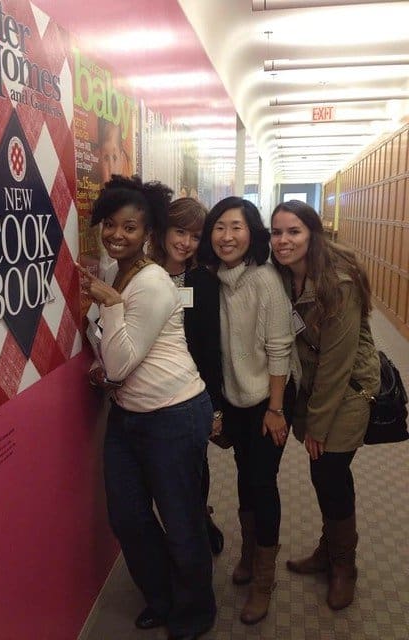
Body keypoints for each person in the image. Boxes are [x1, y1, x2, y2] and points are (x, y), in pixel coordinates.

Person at [78, 175, 216, 640]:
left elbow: (121, 361)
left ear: (148, 231)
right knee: (128, 517)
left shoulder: (153, 282)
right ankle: (162, 597)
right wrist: (101, 365)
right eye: (111, 224)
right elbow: (110, 356)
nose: (118, 234)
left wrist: (113, 308)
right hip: (129, 413)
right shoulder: (111, 268)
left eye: (131, 227)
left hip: (175, 413)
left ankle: (195, 612)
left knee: (180, 520)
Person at [270, 199, 380, 611]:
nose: (284, 240)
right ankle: (328, 549)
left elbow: (337, 362)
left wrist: (316, 424)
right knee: (323, 474)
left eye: (294, 232)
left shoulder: (340, 282)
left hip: (348, 388)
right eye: (277, 232)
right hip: (313, 385)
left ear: (312, 234)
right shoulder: (283, 276)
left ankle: (343, 567)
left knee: (332, 473)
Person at [198, 196, 298, 625]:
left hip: (270, 398)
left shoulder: (265, 280)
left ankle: (263, 578)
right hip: (237, 398)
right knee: (244, 477)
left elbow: (280, 347)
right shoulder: (216, 279)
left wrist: (275, 410)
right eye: (219, 227)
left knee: (262, 481)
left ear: (251, 232)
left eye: (236, 226)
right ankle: (247, 552)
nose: (227, 236)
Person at [149, 196, 224, 555]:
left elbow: (211, 348)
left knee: (195, 468)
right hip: (148, 390)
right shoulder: (143, 273)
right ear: (163, 230)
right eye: (180, 232)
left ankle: (199, 519)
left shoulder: (204, 281)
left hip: (191, 393)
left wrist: (215, 407)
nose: (185, 243)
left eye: (195, 236)